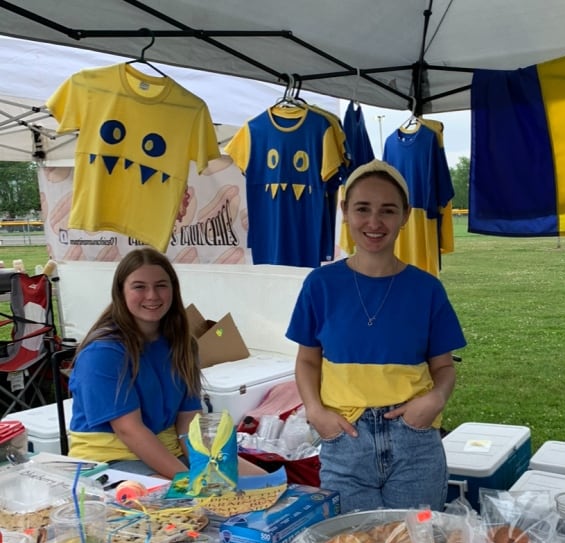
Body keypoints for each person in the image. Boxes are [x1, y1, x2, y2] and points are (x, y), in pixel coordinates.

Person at [286, 159, 467, 513]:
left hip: (413, 437)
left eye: (387, 210)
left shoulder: (426, 289)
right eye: (362, 209)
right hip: (345, 437)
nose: (374, 222)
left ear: (404, 216)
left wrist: (435, 400)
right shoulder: (320, 286)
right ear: (345, 212)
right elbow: (307, 359)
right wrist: (315, 410)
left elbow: (443, 367)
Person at [67, 247, 264, 480]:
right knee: (197, 506)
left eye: (161, 285)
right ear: (120, 292)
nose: (152, 295)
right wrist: (189, 482)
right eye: (139, 286)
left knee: (266, 483)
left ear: (173, 290)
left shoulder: (182, 344)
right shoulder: (104, 352)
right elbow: (129, 431)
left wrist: (208, 466)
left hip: (168, 449)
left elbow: (188, 422)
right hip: (111, 459)